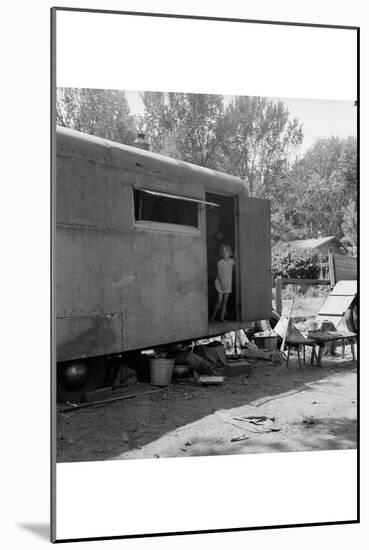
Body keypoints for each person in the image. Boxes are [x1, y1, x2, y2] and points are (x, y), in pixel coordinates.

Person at [210, 244, 235, 322]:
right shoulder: (220, 262)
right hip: (221, 284)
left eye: (226, 251)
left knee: (225, 302)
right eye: (223, 251)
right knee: (219, 301)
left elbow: (238, 260)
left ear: (229, 252)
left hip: (228, 284)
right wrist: (222, 284)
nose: (225, 253)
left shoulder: (232, 261)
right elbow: (219, 274)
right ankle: (213, 316)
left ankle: (222, 317)